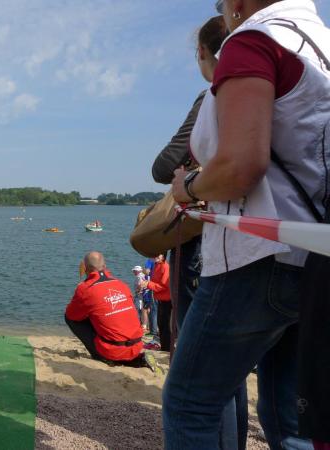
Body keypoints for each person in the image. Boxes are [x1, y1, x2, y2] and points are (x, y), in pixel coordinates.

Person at [167, 0, 329, 447]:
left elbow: (240, 167)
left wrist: (188, 187)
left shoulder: (254, 41)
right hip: (316, 256)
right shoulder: (319, 44)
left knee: (190, 403)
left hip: (258, 257)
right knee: (288, 413)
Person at [154, 15, 250, 449]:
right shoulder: (290, 78)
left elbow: (163, 165)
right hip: (281, 243)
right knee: (239, 370)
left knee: (199, 384)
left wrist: (188, 182)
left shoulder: (215, 94)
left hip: (215, 242)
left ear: (203, 53)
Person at [65, 252, 159, 373]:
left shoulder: (85, 288)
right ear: (105, 266)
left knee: (71, 318)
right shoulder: (121, 284)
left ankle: (103, 357)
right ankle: (138, 359)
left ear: (85, 269)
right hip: (136, 345)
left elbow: (71, 314)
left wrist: (80, 295)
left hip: (112, 350)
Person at [140, 253, 171, 352]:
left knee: (165, 326)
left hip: (167, 300)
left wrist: (148, 284)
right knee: (160, 324)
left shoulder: (165, 266)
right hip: (159, 298)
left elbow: (163, 285)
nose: (156, 256)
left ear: (164, 255)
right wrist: (147, 283)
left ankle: (166, 349)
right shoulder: (156, 265)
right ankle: (164, 346)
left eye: (159, 255)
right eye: (155, 254)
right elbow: (154, 281)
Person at [131, 265, 147, 330]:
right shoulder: (143, 275)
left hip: (139, 295)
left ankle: (138, 324)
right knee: (142, 309)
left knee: (137, 309)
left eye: (134, 271)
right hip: (143, 295)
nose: (133, 272)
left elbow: (140, 285)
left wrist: (138, 291)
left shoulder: (139, 277)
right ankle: (142, 324)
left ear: (137, 271)